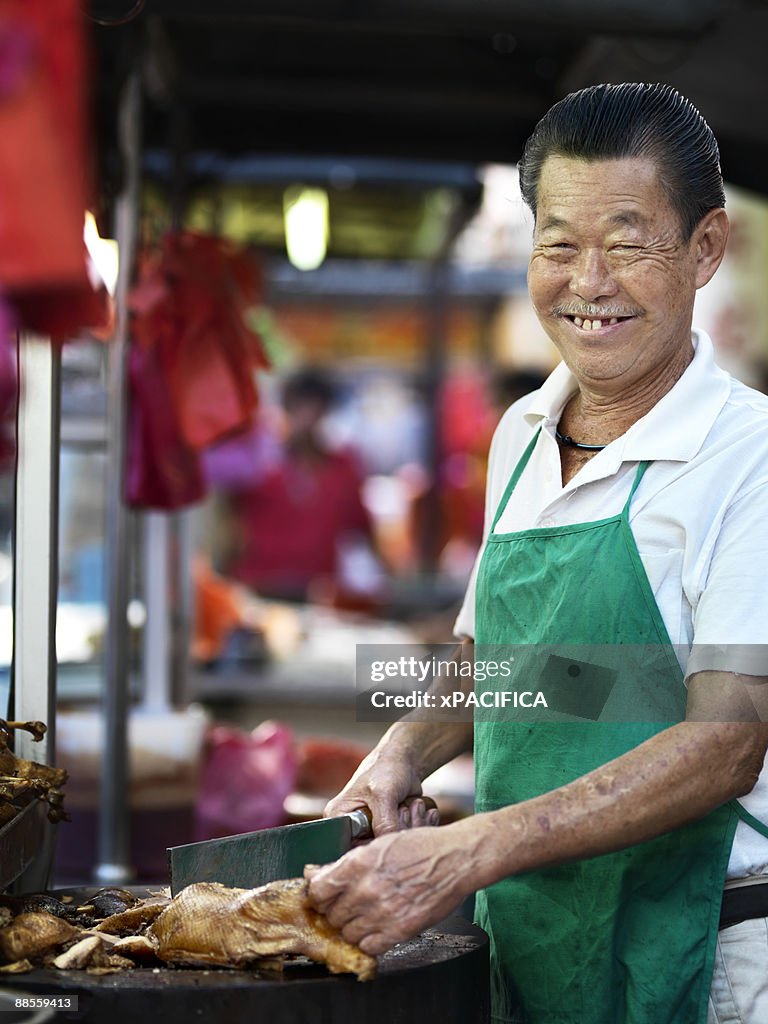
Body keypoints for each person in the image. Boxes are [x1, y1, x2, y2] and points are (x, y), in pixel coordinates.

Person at [304, 83, 768, 1024]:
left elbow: (726, 740)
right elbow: (514, 669)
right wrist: (403, 754)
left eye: (628, 244)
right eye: (558, 244)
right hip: (539, 930)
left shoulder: (750, 454)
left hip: (702, 945)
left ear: (705, 249)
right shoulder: (521, 432)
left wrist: (472, 849)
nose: (588, 282)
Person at [224, 368, 376, 603]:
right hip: (257, 589)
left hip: (318, 593)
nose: (306, 418)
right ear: (285, 409)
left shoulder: (344, 467)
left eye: (314, 408)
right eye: (298, 408)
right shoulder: (255, 463)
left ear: (326, 411)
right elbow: (228, 523)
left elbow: (361, 529)